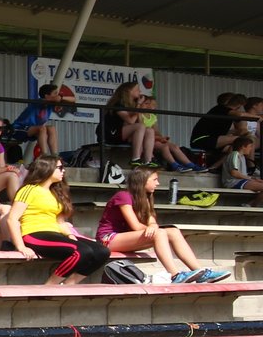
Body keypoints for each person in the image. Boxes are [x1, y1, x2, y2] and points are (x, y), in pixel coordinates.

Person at [96, 168, 227, 283]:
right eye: (155, 179)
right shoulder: (123, 196)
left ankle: (201, 273)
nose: (158, 183)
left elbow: (151, 221)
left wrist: (153, 226)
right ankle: (175, 275)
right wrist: (153, 228)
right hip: (107, 239)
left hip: (127, 238)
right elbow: (135, 225)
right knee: (160, 233)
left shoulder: (145, 198)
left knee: (173, 231)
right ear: (143, 180)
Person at [5, 155, 111, 285]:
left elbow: (60, 222)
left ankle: (69, 284)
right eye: (60, 168)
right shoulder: (29, 189)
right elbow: (12, 219)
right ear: (47, 169)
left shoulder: (56, 192)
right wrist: (21, 246)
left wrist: (70, 235)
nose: (63, 171)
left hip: (55, 233)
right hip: (33, 234)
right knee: (82, 251)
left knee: (102, 251)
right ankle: (50, 286)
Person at [139, 93, 200, 171]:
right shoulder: (140, 114)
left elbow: (156, 131)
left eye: (152, 104)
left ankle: (191, 165)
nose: (150, 106)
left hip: (155, 138)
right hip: (147, 140)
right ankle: (175, 165)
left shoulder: (153, 117)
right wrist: (159, 138)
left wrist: (161, 138)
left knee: (175, 146)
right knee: (164, 147)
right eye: (146, 103)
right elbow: (144, 131)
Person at [12, 83, 73, 161]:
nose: (57, 95)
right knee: (42, 128)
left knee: (51, 128)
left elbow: (73, 100)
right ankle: (44, 155)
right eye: (55, 93)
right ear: (47, 95)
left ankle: (55, 155)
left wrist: (61, 98)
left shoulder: (50, 104)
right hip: (19, 128)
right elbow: (54, 100)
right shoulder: (40, 101)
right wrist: (59, 99)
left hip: (34, 130)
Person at [222, 135, 263, 204]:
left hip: (241, 181)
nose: (251, 149)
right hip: (233, 182)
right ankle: (250, 205)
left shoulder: (242, 157)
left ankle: (249, 205)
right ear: (243, 146)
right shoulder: (234, 155)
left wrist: (255, 179)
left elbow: (242, 174)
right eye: (250, 146)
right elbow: (234, 173)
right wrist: (250, 178)